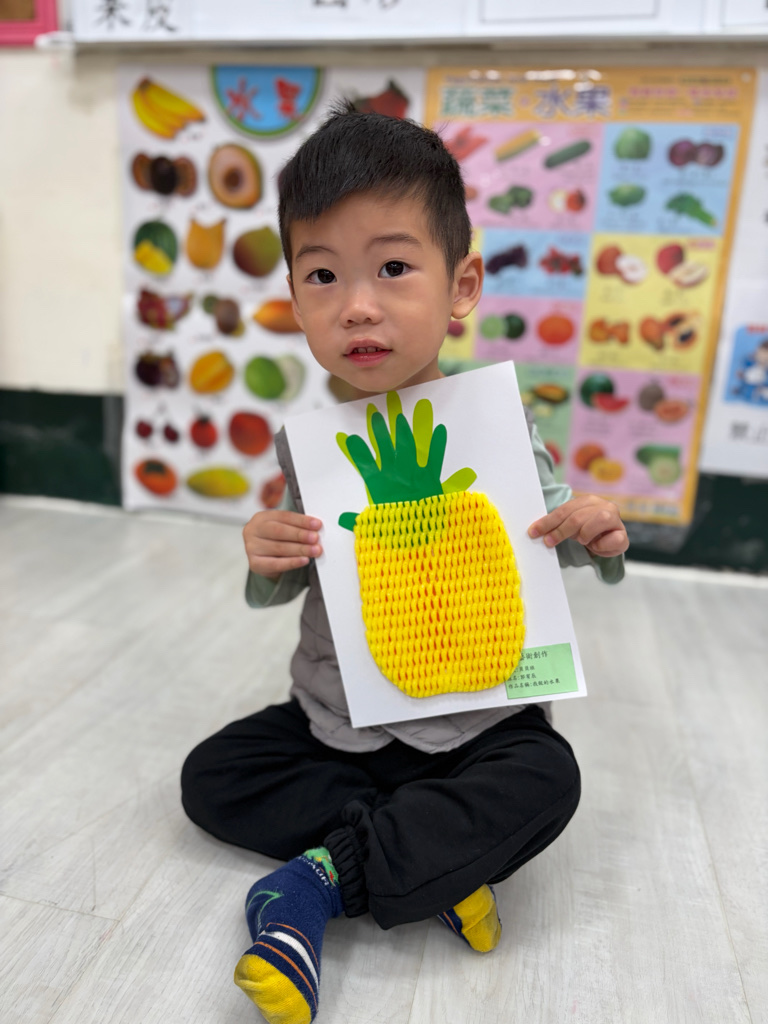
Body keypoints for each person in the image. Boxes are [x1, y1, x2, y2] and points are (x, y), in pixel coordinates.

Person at [181, 103, 629, 1024]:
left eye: (392, 268)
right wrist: (269, 553)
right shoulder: (311, 446)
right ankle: (428, 862)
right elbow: (292, 580)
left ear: (462, 284)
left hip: (476, 723)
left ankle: (314, 884)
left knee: (546, 778)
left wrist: (591, 530)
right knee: (213, 774)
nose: (358, 305)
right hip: (340, 717)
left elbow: (553, 539)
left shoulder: (501, 431)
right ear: (296, 298)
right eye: (323, 275)